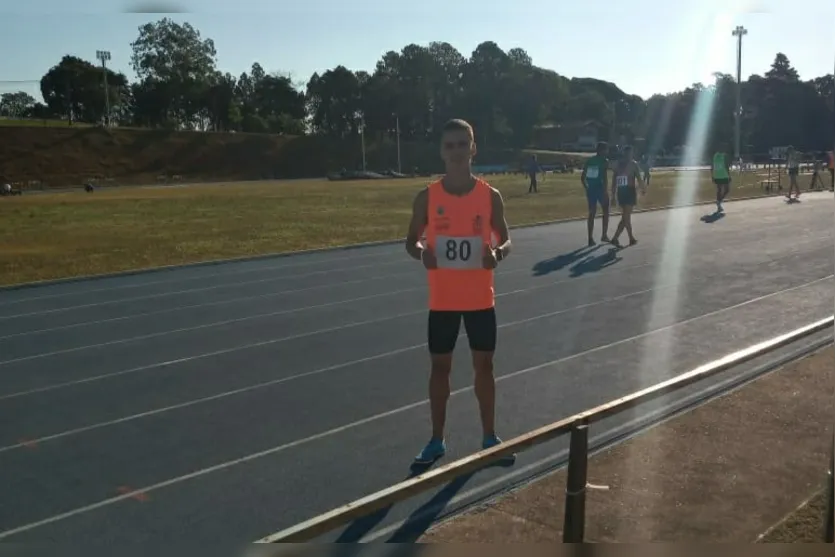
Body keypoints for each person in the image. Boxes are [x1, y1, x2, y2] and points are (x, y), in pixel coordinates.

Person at [405, 118, 515, 466]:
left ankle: (489, 436)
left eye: (461, 144)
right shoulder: (427, 197)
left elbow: (507, 239)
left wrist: (497, 253)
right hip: (443, 302)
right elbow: (410, 242)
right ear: (441, 151)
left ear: (473, 148)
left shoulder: (489, 196)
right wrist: (423, 253)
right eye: (449, 145)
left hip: (481, 299)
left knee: (485, 367)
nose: (455, 151)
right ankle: (436, 439)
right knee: (440, 370)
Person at [609, 145, 645, 248]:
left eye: (630, 153)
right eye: (628, 153)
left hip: (626, 191)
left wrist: (642, 188)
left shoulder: (628, 164)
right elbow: (614, 181)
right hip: (625, 191)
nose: (629, 155)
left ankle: (624, 238)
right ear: (625, 153)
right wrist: (613, 196)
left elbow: (638, 178)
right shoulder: (628, 164)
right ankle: (625, 238)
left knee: (625, 216)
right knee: (626, 217)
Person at [580, 141, 611, 246]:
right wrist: (606, 191)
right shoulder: (604, 161)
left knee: (592, 213)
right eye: (606, 149)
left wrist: (587, 187)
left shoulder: (589, 161)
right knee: (606, 210)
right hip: (600, 188)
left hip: (591, 189)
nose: (607, 151)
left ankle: (590, 238)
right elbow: (604, 177)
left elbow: (583, 177)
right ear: (602, 150)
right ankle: (604, 235)